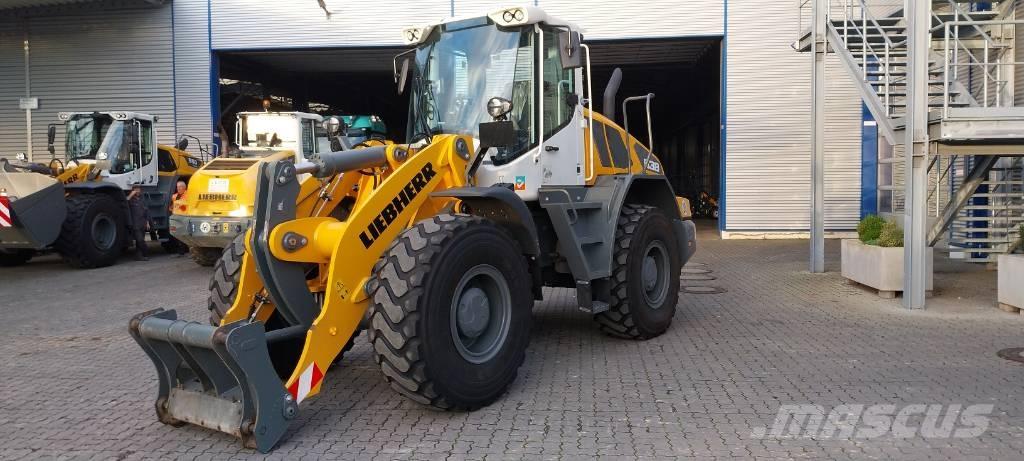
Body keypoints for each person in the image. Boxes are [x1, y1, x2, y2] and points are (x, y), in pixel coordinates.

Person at [126, 184, 150, 261]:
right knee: (140, 240)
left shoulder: (142, 200)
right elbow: (125, 202)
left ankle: (139, 256)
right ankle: (146, 252)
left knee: (139, 242)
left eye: (139, 189)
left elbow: (146, 212)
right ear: (133, 191)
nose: (138, 191)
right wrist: (131, 194)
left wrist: (147, 222)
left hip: (142, 223)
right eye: (136, 190)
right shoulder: (130, 200)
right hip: (135, 224)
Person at [168, 181, 189, 256]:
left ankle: (187, 250)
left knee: (186, 234)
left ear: (184, 187)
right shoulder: (174, 196)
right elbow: (171, 206)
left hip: (185, 217)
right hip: (176, 217)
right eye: (177, 187)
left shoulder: (189, 195)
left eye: (180, 186)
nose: (178, 188)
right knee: (177, 234)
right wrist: (172, 208)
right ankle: (181, 251)